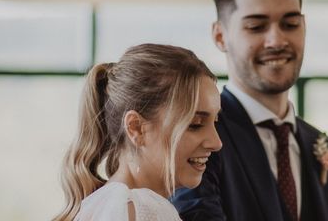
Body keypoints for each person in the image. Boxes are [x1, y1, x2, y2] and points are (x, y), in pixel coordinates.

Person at [173, 0, 328, 221]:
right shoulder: (196, 144)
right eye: (257, 27)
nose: (276, 40)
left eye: (290, 24)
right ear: (220, 36)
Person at [53, 43, 222, 221]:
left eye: (215, 122)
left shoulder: (104, 204)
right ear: (136, 128)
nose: (216, 142)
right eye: (195, 124)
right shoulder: (147, 210)